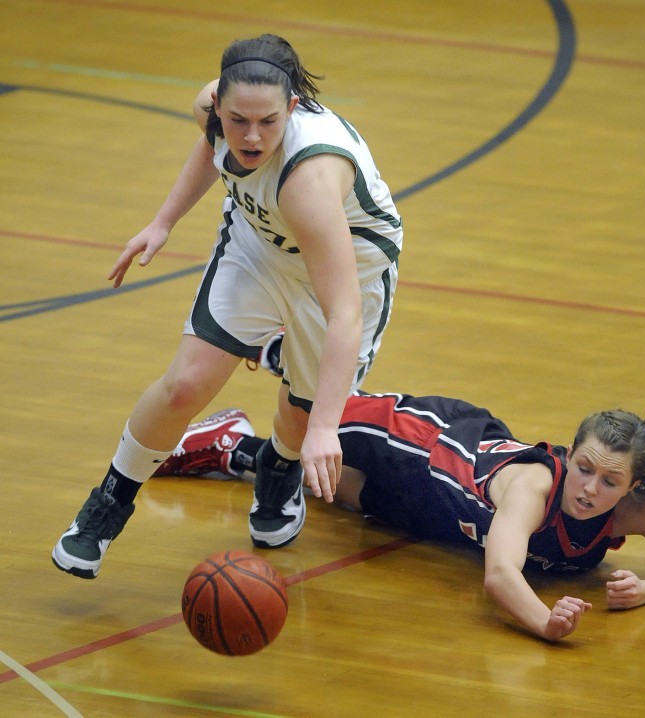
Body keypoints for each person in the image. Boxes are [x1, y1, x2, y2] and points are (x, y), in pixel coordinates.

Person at [52, 33, 403, 579]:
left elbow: (345, 315)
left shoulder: (308, 180)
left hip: (339, 276)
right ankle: (108, 503)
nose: (252, 136)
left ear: (291, 107)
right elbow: (211, 150)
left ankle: (278, 467)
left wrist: (324, 429)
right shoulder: (213, 111)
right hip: (260, 248)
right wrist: (163, 221)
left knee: (303, 412)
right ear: (218, 105)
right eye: (238, 120)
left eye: (267, 122)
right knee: (185, 383)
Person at [155, 386, 645, 642]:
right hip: (425, 445)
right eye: (584, 468)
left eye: (609, 481)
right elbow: (500, 577)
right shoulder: (536, 490)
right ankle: (286, 345)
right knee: (313, 420)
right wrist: (545, 624)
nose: (590, 489)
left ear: (632, 486)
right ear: (569, 455)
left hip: (437, 517)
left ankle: (232, 446)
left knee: (331, 489)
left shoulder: (634, 512)